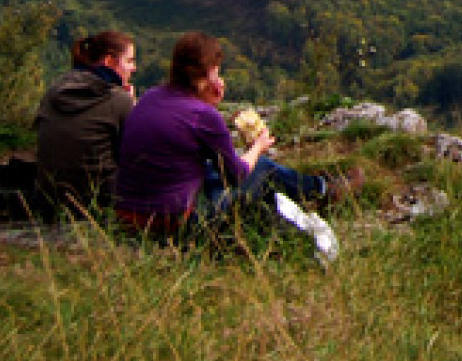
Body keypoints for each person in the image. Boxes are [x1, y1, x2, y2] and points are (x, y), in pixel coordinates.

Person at [114, 31, 353, 237]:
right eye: (216, 72)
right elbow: (237, 174)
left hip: (127, 216)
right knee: (263, 168)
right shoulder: (204, 115)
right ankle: (321, 190)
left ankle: (315, 189)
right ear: (207, 76)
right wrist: (257, 147)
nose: (219, 79)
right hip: (174, 220)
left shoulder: (149, 97)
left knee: (210, 170)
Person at [34, 30, 137, 213]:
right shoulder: (119, 100)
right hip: (99, 201)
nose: (133, 68)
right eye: (129, 61)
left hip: (49, 196)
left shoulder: (53, 92)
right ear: (109, 62)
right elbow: (133, 153)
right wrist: (133, 108)